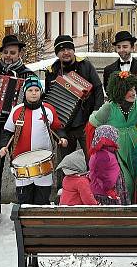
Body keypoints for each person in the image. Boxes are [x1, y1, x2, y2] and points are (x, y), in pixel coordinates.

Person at [0, 34, 35, 227]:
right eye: (6, 52)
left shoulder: (28, 76)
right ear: (1, 53)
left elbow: (35, 101)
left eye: (13, 53)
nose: (9, 56)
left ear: (20, 54)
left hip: (18, 129)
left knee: (23, 169)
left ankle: (25, 209)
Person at [44, 34, 104, 193]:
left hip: (86, 123)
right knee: (65, 162)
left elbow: (98, 89)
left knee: (92, 159)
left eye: (69, 49)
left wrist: (96, 115)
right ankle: (64, 193)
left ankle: (94, 191)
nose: (66, 52)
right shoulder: (52, 71)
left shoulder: (85, 65)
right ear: (57, 53)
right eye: (62, 50)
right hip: (64, 126)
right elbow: (49, 99)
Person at [86, 71, 137, 202]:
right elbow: (91, 128)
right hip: (116, 155)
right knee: (126, 184)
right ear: (119, 90)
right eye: (129, 89)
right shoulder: (108, 108)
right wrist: (94, 156)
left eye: (134, 89)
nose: (133, 93)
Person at [0, 77, 67, 206]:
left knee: (42, 199)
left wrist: (62, 138)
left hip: (44, 161)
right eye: (30, 90)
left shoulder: (48, 109)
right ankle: (23, 225)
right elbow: (7, 132)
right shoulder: (17, 110)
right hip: (22, 162)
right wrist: (3, 146)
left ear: (41, 92)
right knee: (24, 200)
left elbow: (58, 128)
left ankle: (41, 224)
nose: (34, 93)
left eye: (36, 90)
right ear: (25, 92)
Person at [87, 124, 129, 204]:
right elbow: (101, 175)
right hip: (105, 193)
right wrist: (109, 190)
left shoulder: (106, 151)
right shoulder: (102, 154)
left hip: (106, 190)